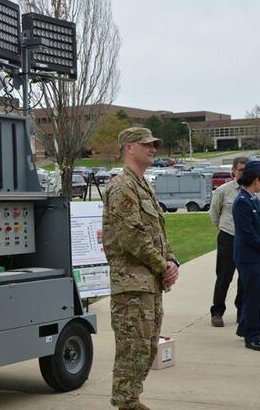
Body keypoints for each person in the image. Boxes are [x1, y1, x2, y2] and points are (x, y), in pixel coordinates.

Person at [103, 127, 180, 410]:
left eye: (154, 144)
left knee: (147, 348)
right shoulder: (122, 186)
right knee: (132, 349)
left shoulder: (142, 185)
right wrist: (162, 266)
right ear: (129, 148)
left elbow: (158, 232)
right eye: (145, 144)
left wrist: (171, 262)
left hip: (149, 284)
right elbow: (132, 236)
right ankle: (126, 403)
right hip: (131, 286)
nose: (153, 148)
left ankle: (130, 400)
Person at [209, 156, 259, 327]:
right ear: (233, 172)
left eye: (247, 170)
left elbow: (259, 217)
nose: (244, 173)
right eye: (241, 170)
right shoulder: (223, 190)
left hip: (247, 240)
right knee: (224, 277)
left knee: (244, 278)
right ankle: (217, 312)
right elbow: (214, 214)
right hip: (228, 238)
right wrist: (225, 228)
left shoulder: (256, 192)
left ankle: (241, 312)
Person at [232, 161, 260, 351]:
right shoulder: (241, 202)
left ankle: (244, 327)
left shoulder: (254, 199)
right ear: (256, 180)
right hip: (248, 257)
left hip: (257, 255)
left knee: (254, 295)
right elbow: (247, 233)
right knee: (253, 297)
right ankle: (252, 337)